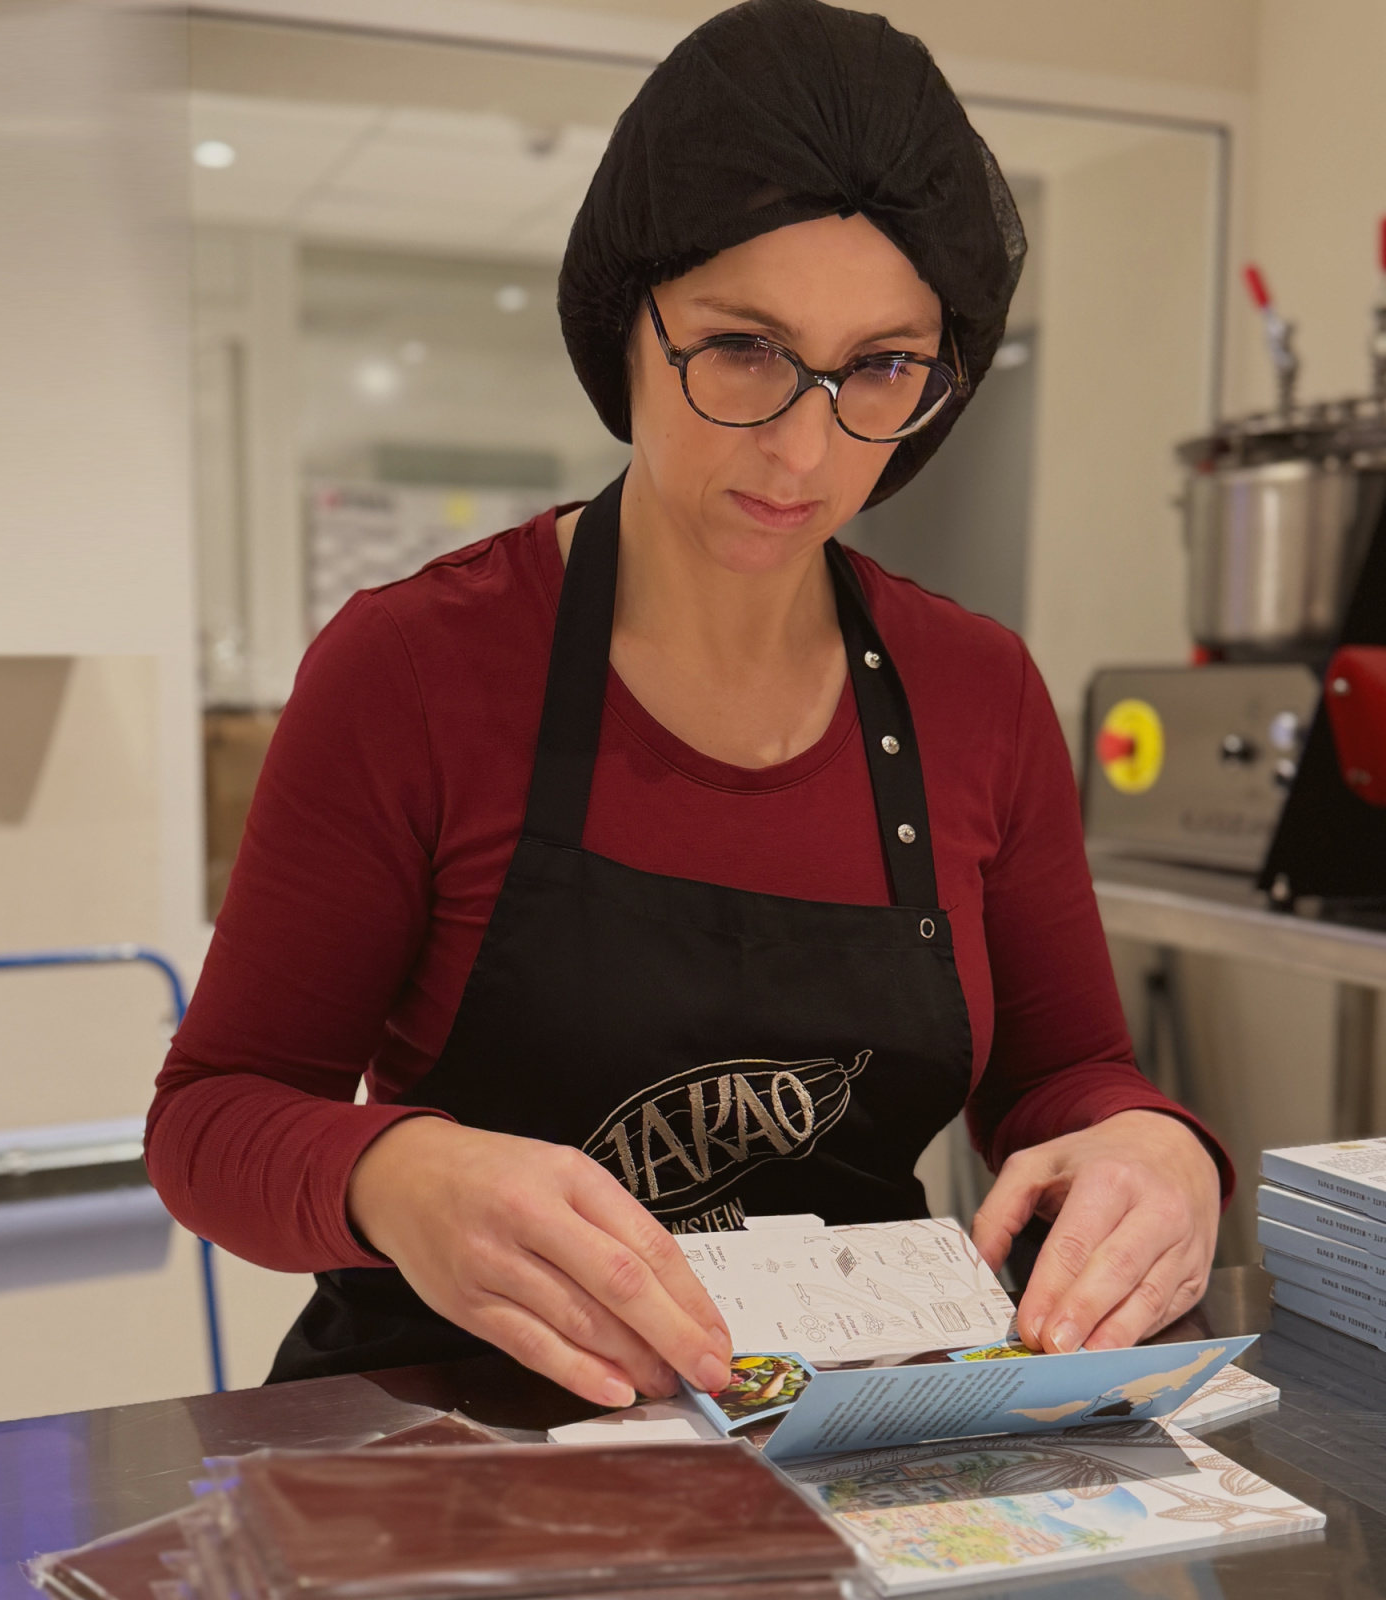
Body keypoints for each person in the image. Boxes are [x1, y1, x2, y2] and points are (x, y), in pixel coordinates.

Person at [147, 0, 1229, 1409]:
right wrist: (394, 1171)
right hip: (463, 1431)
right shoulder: (413, 666)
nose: (802, 449)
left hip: (851, 1423)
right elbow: (212, 1117)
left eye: (879, 368)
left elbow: (1066, 1070)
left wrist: (1156, 1146)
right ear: (626, 319)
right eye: (743, 348)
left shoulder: (978, 691)